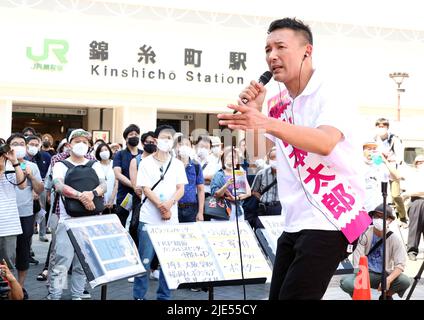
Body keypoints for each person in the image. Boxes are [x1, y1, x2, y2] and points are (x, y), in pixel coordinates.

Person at [217, 17, 371, 299]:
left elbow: (324, 142)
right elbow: (259, 152)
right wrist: (257, 111)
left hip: (331, 218)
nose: (271, 56)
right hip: (294, 220)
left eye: (280, 47)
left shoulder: (332, 91)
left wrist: (265, 121)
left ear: (306, 51)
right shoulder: (278, 102)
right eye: (267, 49)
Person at [47, 129, 106, 300]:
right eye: (77, 141)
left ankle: (77, 294)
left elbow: (104, 185)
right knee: (61, 261)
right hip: (67, 220)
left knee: (83, 263)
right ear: (69, 144)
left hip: (89, 221)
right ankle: (55, 294)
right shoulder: (60, 164)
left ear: (89, 146)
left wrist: (92, 194)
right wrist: (81, 196)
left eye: (85, 142)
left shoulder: (94, 164)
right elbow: (58, 185)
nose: (81, 144)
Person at [133, 125, 187, 300]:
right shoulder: (146, 163)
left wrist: (169, 205)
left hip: (171, 219)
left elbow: (181, 189)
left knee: (168, 262)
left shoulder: (178, 164)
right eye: (163, 137)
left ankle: (164, 297)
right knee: (145, 261)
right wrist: (161, 206)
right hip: (149, 218)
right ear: (155, 139)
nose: (166, 141)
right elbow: (145, 188)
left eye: (170, 138)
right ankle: (139, 296)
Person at [340, 204, 411, 300]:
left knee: (404, 281)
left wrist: (388, 280)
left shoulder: (395, 239)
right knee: (346, 283)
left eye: (382, 217)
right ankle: (361, 298)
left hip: (385, 274)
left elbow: (400, 264)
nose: (378, 219)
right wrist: (359, 277)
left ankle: (386, 296)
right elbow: (357, 260)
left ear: (390, 220)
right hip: (365, 273)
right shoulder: (364, 234)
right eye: (376, 216)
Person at [7, 133, 44, 298]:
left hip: (25, 214)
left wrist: (31, 175)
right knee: (6, 253)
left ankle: (19, 288)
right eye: (15, 143)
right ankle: (7, 287)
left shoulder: (31, 166)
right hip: (6, 215)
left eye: (22, 143)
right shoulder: (3, 163)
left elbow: (40, 189)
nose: (19, 146)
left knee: (23, 252)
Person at [374, 118, 407, 224]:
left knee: (395, 195)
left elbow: (400, 159)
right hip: (379, 170)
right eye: (379, 126)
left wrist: (387, 159)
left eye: (383, 126)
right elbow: (374, 157)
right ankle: (380, 216)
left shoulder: (394, 139)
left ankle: (402, 217)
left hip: (392, 170)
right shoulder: (375, 140)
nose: (381, 128)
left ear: (387, 127)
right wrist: (380, 159)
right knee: (381, 195)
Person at [0, 138, 26, 271]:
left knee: (8, 266)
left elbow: (22, 185)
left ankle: (9, 291)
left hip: (8, 225)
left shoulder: (11, 167)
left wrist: (15, 161)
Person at [210, 146, 251, 221]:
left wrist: (236, 198)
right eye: (229, 157)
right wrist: (227, 184)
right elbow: (215, 194)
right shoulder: (219, 174)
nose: (232, 159)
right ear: (224, 159)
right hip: (222, 211)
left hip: (238, 210)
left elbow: (248, 193)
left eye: (235, 157)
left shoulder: (239, 173)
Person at [113, 124, 143, 227]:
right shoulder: (120, 154)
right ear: (126, 138)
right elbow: (118, 174)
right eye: (131, 134)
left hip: (141, 194)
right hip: (125, 194)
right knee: (121, 222)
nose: (134, 136)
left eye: (136, 134)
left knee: (136, 224)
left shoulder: (143, 154)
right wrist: (134, 186)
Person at [249, 147, 281, 229]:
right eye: (272, 158)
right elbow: (253, 191)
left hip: (279, 209)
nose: (275, 160)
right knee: (261, 232)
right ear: (269, 159)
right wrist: (261, 197)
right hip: (264, 208)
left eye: (277, 157)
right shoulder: (262, 173)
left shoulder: (287, 173)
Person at [175, 135, 205, 223]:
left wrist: (200, 212)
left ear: (191, 147)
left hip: (191, 209)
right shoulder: (171, 165)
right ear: (176, 147)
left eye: (187, 144)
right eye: (181, 144)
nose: (184, 147)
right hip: (174, 207)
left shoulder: (196, 166)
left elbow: (200, 189)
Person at [401, 155, 424, 261]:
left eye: (422, 161)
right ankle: (412, 251)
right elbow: (407, 190)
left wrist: (409, 193)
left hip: (418, 197)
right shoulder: (413, 175)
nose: (420, 163)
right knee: (414, 227)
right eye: (418, 162)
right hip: (416, 201)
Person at [95, 142, 118, 215]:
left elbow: (117, 182)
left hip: (114, 200)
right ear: (98, 153)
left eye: (106, 149)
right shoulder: (95, 165)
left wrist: (111, 200)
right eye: (101, 151)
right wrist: (102, 201)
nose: (104, 152)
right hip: (100, 201)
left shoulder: (115, 163)